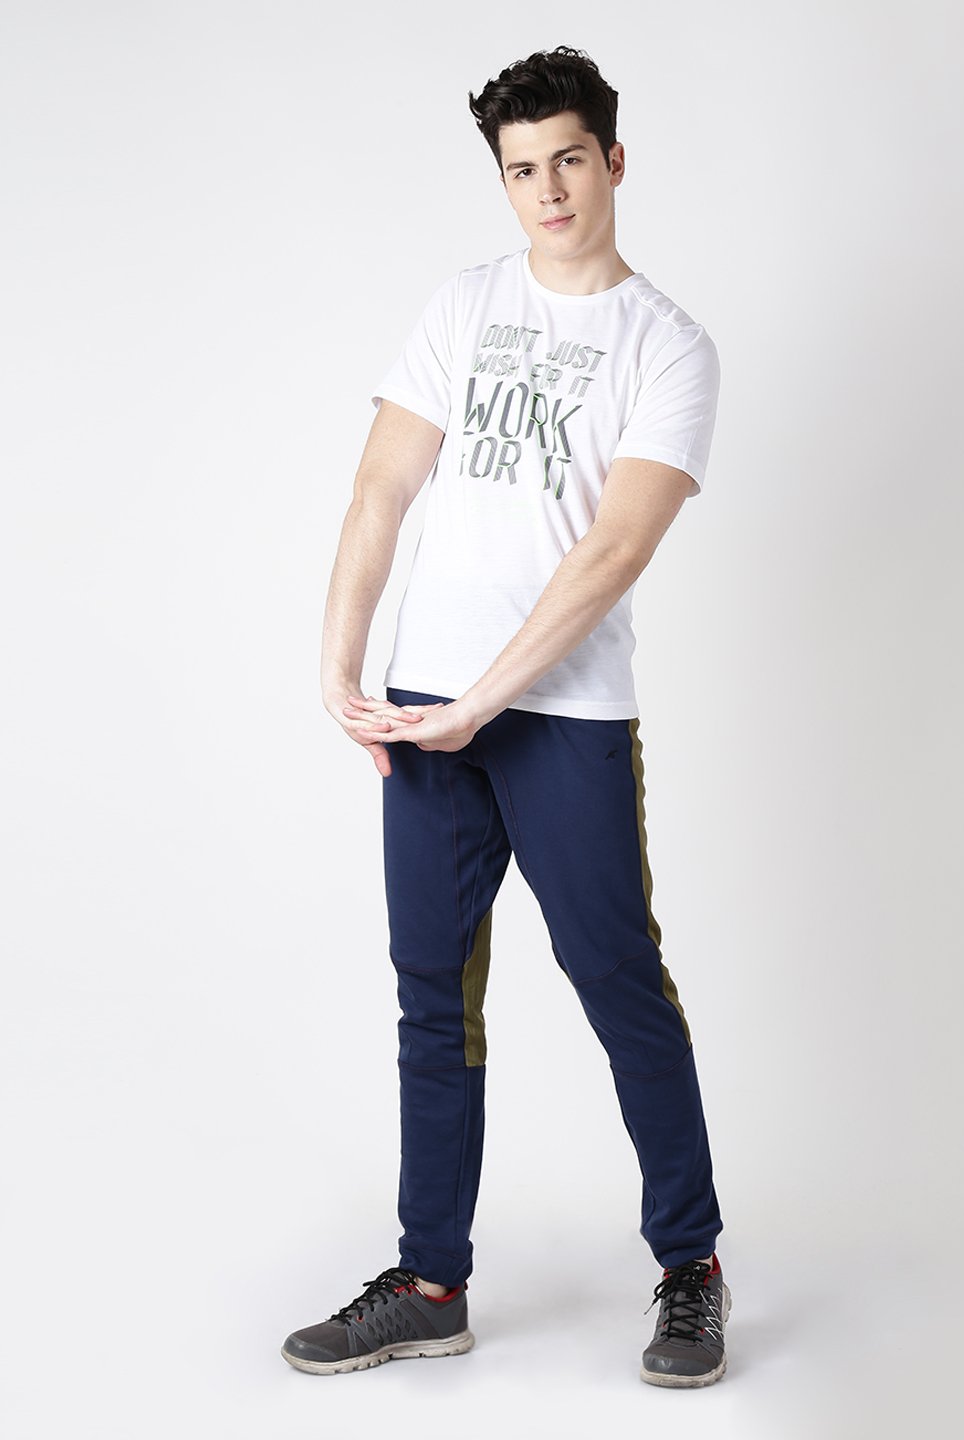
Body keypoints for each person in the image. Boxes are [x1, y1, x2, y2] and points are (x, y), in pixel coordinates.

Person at [281, 44, 730, 1389]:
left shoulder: (668, 345)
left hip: (564, 717)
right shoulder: (463, 305)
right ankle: (430, 1283)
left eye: (569, 160)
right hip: (423, 712)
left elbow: (614, 548)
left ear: (613, 160)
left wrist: (487, 699)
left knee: (618, 981)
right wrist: (342, 667)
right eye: (522, 169)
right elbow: (380, 488)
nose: (548, 190)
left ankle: (691, 1267)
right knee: (432, 994)